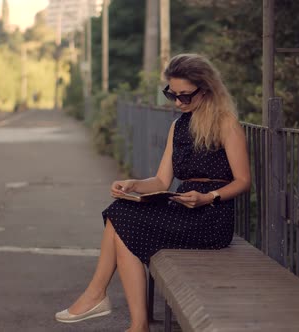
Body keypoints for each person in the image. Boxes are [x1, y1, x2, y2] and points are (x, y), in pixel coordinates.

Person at [55, 53, 251, 332]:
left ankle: (107, 303)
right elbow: (161, 181)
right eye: (173, 95)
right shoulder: (179, 126)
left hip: (211, 217)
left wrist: (208, 197)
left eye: (186, 96)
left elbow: (243, 181)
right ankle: (127, 317)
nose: (179, 102)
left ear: (206, 90)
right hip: (182, 206)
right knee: (121, 211)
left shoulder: (226, 123)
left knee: (122, 220)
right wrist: (133, 184)